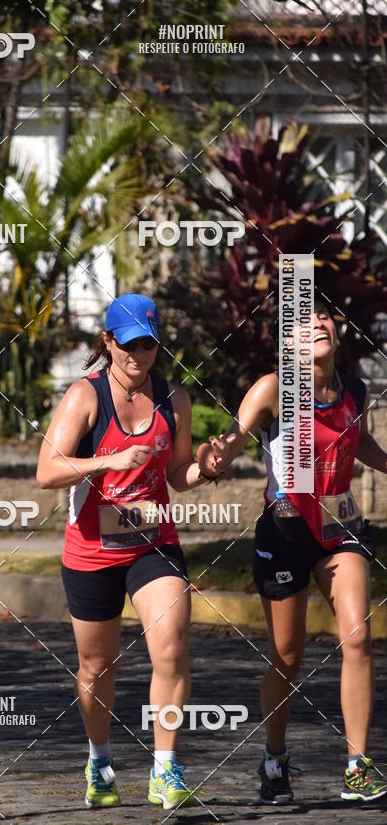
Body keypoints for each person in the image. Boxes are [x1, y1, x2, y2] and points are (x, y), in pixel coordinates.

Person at [198, 298, 387, 805]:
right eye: (306, 322)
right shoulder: (274, 390)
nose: (319, 324)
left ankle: (357, 763)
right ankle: (274, 758)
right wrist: (213, 456)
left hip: (339, 523)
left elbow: (359, 440)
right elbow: (234, 441)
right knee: (287, 654)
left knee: (358, 636)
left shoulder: (355, 391)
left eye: (324, 318)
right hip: (284, 529)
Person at [36, 293, 210, 810]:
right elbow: (47, 471)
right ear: (108, 342)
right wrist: (105, 463)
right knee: (97, 667)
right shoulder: (84, 398)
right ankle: (99, 758)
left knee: (173, 647)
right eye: (129, 345)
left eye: (148, 345)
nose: (139, 356)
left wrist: (208, 469)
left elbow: (178, 477)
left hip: (153, 542)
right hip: (91, 551)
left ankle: (166, 767)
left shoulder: (174, 399)